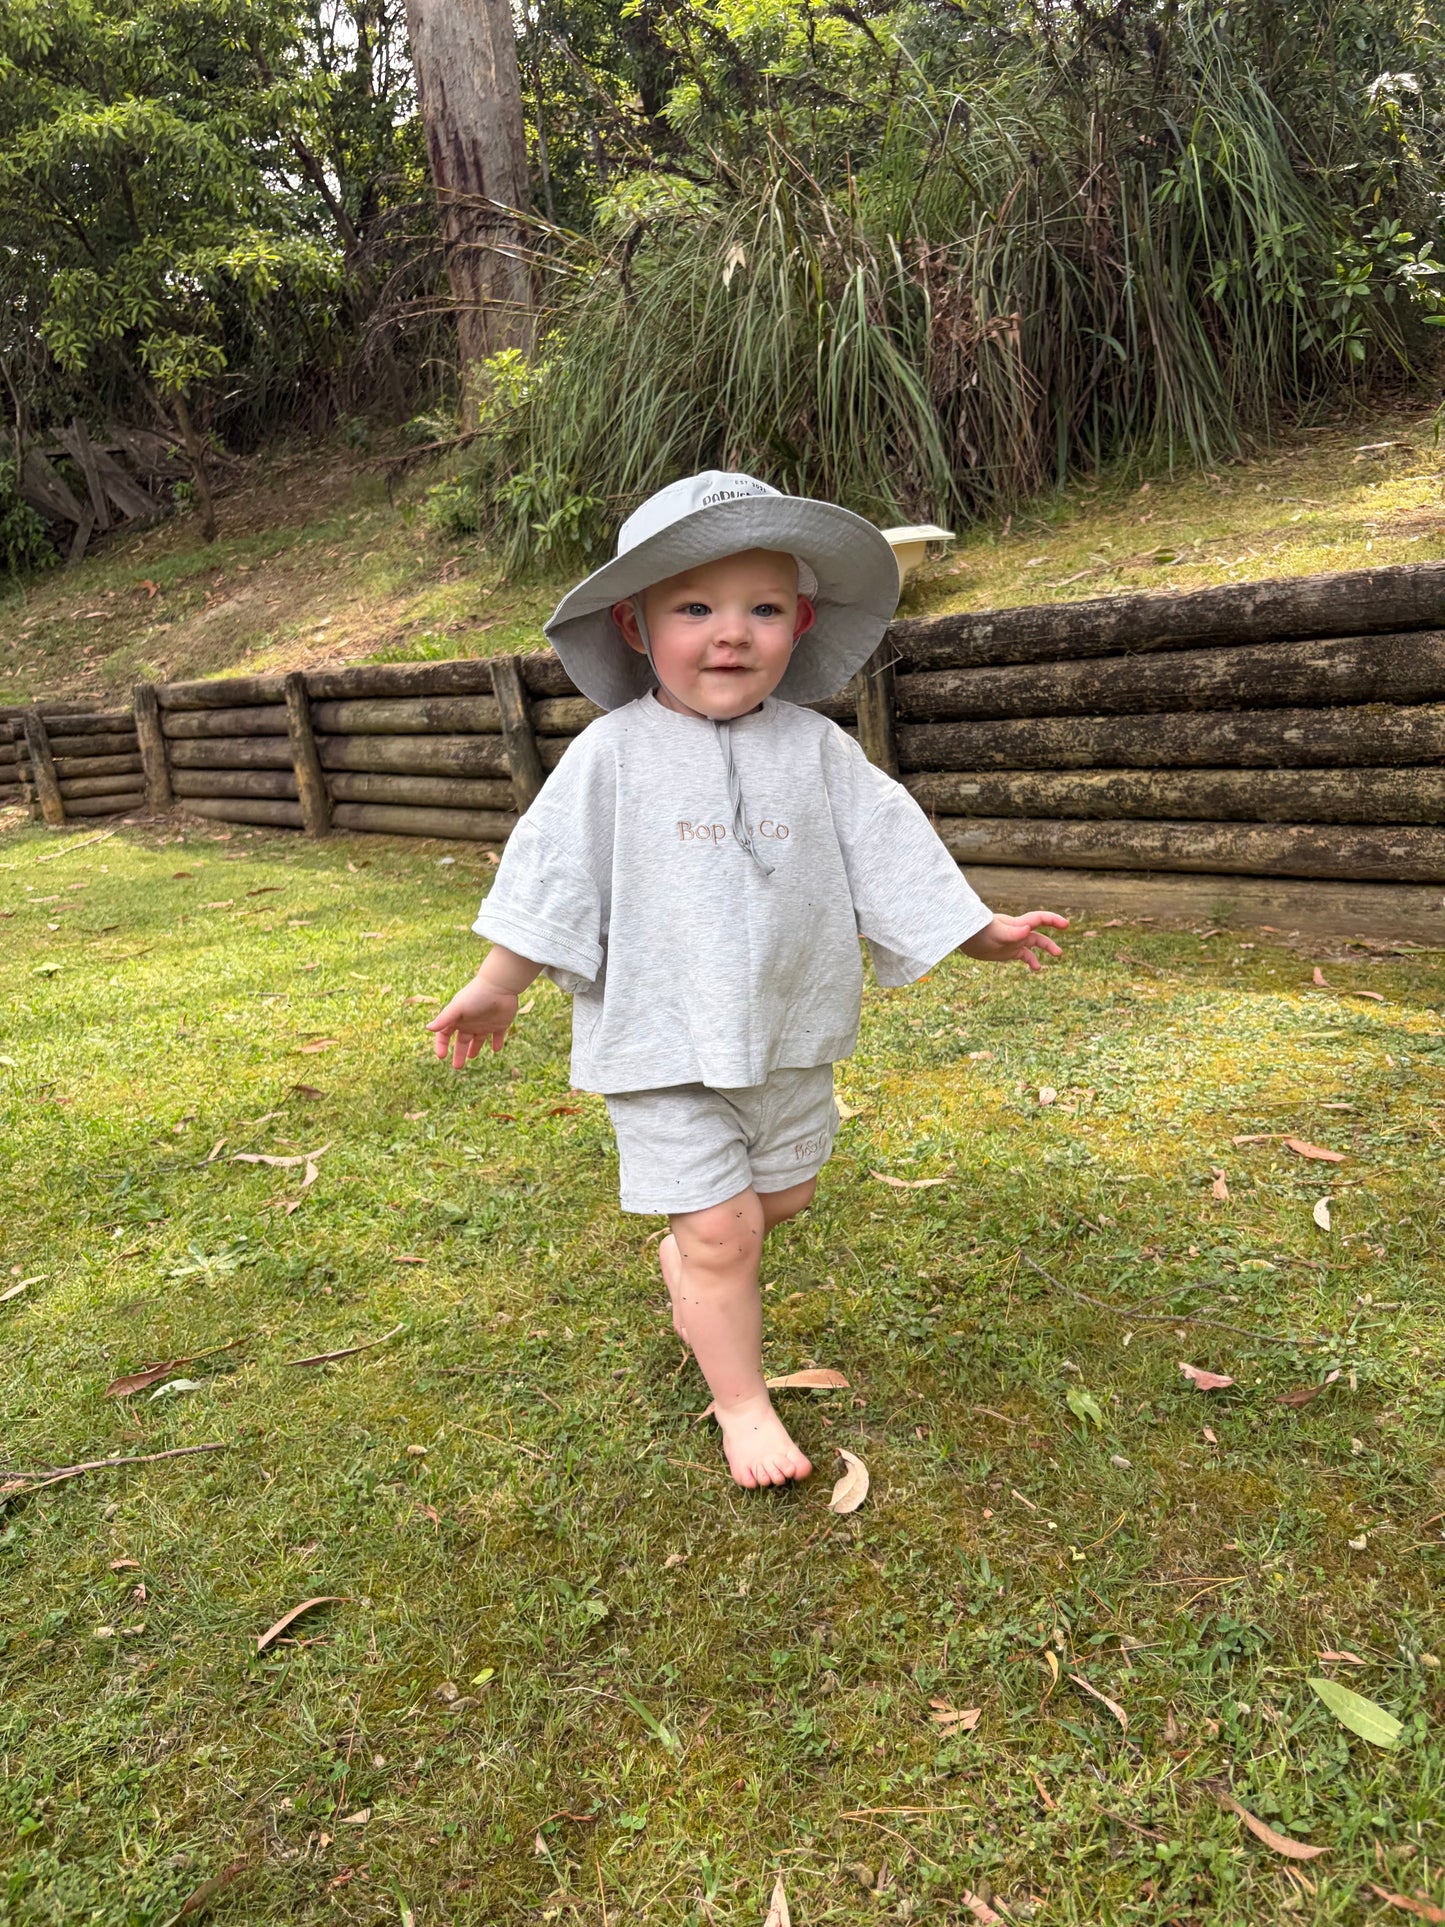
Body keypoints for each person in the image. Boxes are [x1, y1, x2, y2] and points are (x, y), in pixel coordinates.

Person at [428, 472, 1067, 1490]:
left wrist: (972, 930)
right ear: (635, 626)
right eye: (694, 607)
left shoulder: (816, 750)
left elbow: (888, 849)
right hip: (659, 1034)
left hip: (783, 1030)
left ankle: (694, 1259)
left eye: (761, 608)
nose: (730, 633)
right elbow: (553, 871)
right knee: (724, 1229)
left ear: (799, 622)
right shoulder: (612, 755)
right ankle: (740, 1399)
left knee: (784, 1194)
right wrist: (500, 980)